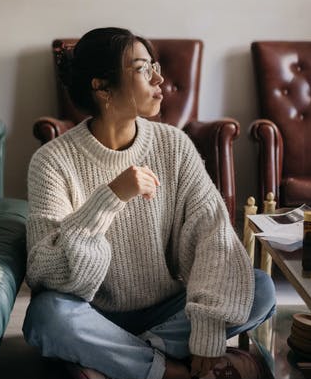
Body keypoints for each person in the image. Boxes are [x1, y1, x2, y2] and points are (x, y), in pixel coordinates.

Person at [23, 27, 276, 379]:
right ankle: (171, 371)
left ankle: (117, 361)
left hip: (168, 310)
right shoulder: (52, 161)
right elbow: (43, 270)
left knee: (259, 287)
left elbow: (213, 235)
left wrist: (206, 331)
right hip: (92, 311)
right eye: (143, 68)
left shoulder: (174, 145)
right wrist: (110, 197)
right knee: (46, 317)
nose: (159, 78)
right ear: (101, 86)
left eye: (153, 65)